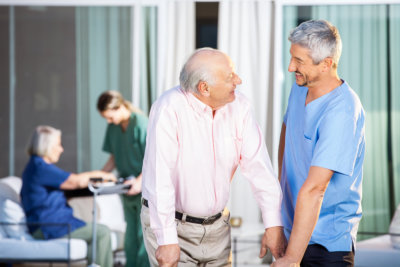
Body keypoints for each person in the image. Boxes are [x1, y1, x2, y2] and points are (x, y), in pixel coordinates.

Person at [140, 47, 286, 267]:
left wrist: (273, 224)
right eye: (229, 77)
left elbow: (259, 168)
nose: (238, 80)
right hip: (174, 226)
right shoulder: (168, 108)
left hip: (218, 228)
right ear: (204, 88)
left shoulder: (240, 106)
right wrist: (166, 239)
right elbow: (160, 179)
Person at [273, 20, 365, 267]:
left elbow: (316, 189)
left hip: (326, 247)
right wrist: (279, 223)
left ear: (326, 64)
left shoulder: (342, 111)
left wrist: (292, 258)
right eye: (292, 58)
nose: (291, 67)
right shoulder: (300, 87)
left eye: (299, 61)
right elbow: (287, 130)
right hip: (294, 234)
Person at [21, 125, 115, 267]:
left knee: (95, 233)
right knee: (101, 232)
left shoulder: (36, 167)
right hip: (49, 227)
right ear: (46, 146)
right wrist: (104, 175)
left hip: (53, 225)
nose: (61, 149)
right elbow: (75, 181)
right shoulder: (40, 168)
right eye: (58, 145)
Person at [97, 90, 150, 267]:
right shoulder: (113, 127)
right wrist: (101, 176)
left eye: (110, 117)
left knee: (143, 237)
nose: (108, 121)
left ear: (119, 107)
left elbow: (154, 158)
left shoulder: (141, 124)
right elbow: (114, 157)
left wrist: (139, 181)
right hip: (126, 190)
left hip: (145, 189)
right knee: (130, 239)